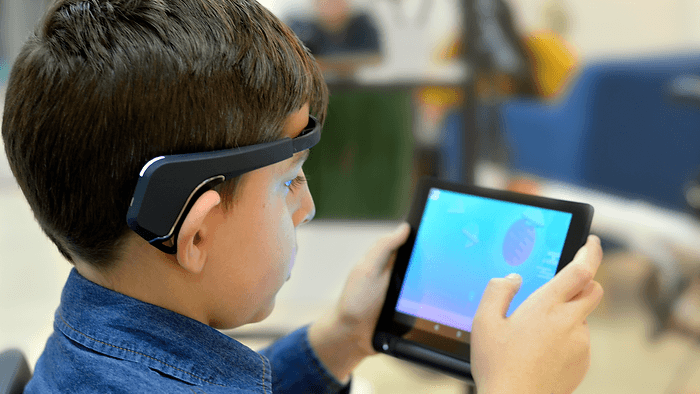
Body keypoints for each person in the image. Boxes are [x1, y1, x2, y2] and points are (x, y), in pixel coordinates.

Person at [1, 0, 603, 393]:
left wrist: (340, 337)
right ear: (197, 232)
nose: (307, 205)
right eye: (290, 179)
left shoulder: (91, 349)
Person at [287, 0, 382, 80]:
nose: (332, 4)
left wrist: (323, 64)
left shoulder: (362, 23)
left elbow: (375, 57)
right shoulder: (299, 26)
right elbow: (291, 61)